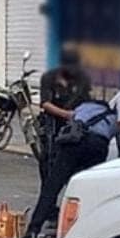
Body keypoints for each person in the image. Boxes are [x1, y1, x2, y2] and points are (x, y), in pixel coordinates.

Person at [19, 100, 113, 238]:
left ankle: (33, 230)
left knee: (52, 187)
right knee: (89, 190)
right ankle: (82, 231)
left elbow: (72, 118)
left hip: (72, 143)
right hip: (97, 146)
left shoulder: (83, 107)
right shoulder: (115, 116)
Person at [38, 48, 92, 182]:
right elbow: (45, 103)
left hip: (76, 124)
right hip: (54, 123)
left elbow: (88, 100)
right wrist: (65, 114)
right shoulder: (49, 77)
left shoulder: (83, 78)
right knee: (48, 160)